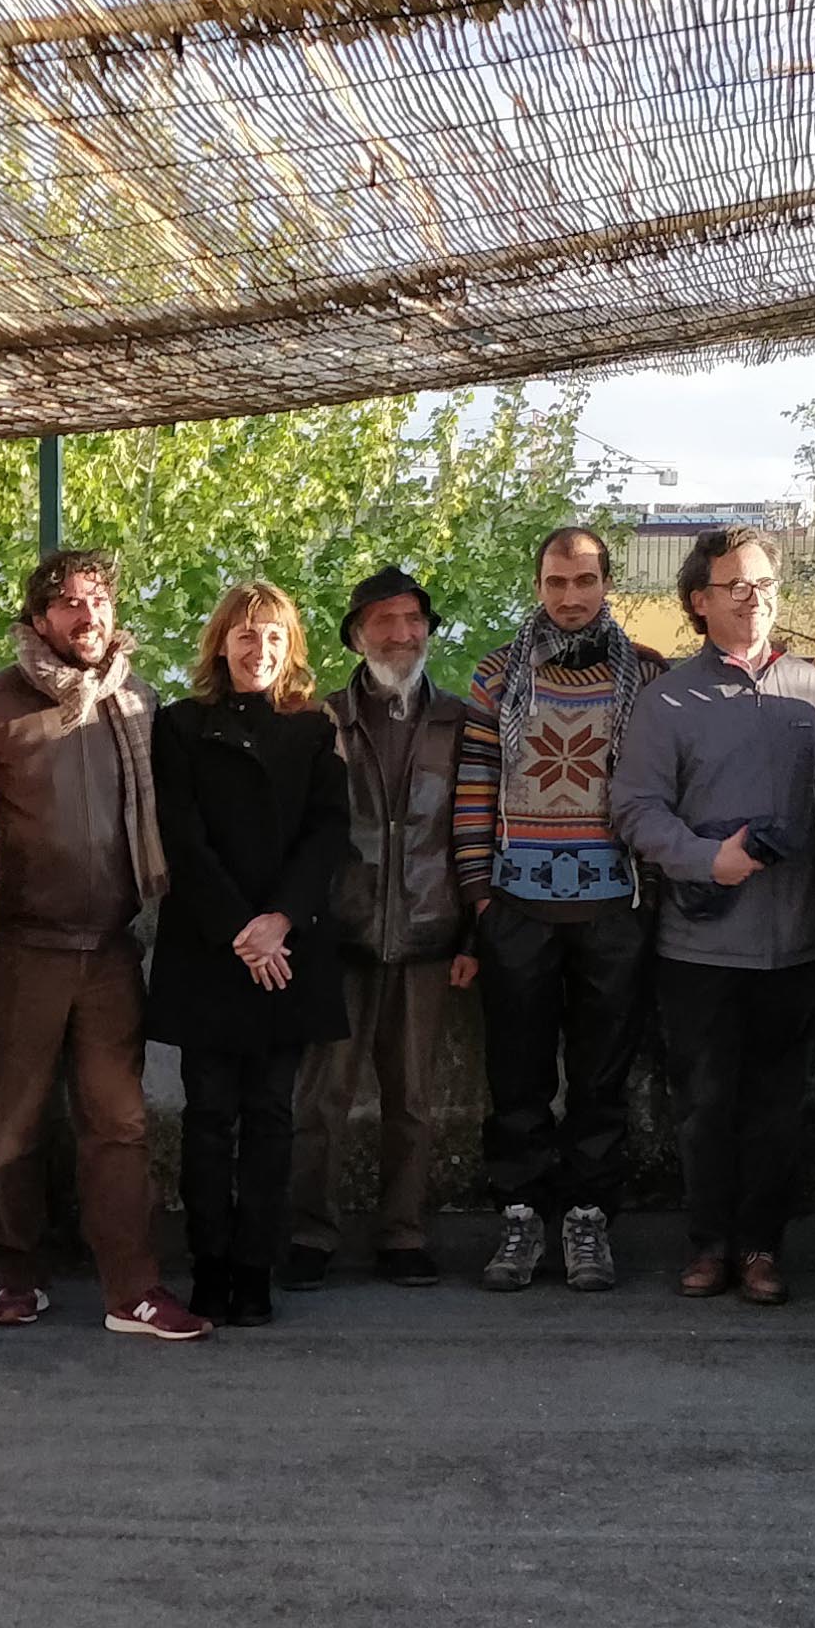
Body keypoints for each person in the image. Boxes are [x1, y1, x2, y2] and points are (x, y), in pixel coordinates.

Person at [0, 550, 207, 1340]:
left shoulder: (136, 701)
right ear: (38, 618)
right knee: (14, 1124)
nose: (88, 615)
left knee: (120, 1124)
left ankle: (132, 1289)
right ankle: (16, 1274)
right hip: (19, 949)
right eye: (69, 602)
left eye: (99, 599)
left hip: (110, 948)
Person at [613, 525, 815, 1305]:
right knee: (704, 1107)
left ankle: (763, 1249)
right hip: (699, 945)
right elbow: (635, 809)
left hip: (795, 942)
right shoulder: (667, 699)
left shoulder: (814, 689)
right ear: (698, 601)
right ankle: (709, 1245)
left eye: (764, 584)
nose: (753, 598)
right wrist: (710, 859)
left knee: (779, 1109)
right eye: (734, 586)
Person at [452, 528, 664, 1294]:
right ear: (537, 585)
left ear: (607, 583)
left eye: (584, 581)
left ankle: (587, 1217)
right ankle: (520, 1214)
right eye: (556, 582)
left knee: (602, 1080)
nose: (570, 597)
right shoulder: (498, 674)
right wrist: (480, 895)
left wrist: (650, 894)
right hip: (518, 907)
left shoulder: (648, 675)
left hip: (614, 908)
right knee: (517, 1075)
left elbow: (665, 786)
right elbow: (476, 784)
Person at [148, 583, 351, 1329]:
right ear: (220, 643)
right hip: (211, 952)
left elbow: (329, 833)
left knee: (270, 1116)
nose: (257, 649)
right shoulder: (180, 725)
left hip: (287, 953)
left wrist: (279, 921)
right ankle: (209, 1267)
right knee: (207, 1118)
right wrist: (242, 929)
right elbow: (182, 836)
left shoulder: (314, 728)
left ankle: (256, 1270)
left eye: (272, 636)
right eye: (244, 634)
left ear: (290, 646)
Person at [285, 567, 473, 1292]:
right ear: (357, 637)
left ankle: (403, 1234)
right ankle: (309, 1233)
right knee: (320, 1100)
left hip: (429, 935)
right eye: (384, 621)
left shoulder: (460, 721)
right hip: (339, 937)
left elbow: (477, 834)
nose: (402, 634)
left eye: (413, 620)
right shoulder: (321, 721)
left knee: (414, 1101)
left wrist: (471, 936)